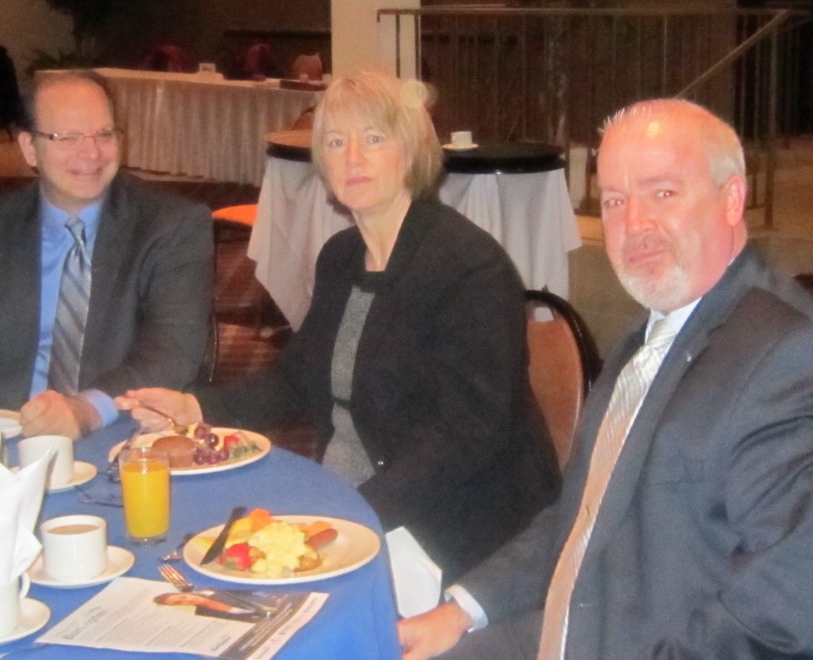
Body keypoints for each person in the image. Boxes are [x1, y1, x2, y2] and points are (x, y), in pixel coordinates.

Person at [397, 98, 813, 660]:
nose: (634, 225)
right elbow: (582, 518)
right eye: (613, 201)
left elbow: (778, 624)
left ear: (732, 199)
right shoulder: (657, 326)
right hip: (591, 632)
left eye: (663, 193)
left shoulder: (800, 367)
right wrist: (462, 611)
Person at [118, 69, 559, 583]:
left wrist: (350, 515)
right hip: (350, 495)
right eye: (336, 141)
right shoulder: (342, 257)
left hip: (453, 521)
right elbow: (296, 379)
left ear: (413, 151)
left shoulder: (468, 267)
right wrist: (194, 408)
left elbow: (466, 438)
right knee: (194, 556)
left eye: (374, 139)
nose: (354, 157)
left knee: (259, 593)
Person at [0, 70, 212, 441]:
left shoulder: (171, 226)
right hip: (9, 436)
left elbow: (172, 353)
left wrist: (84, 410)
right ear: (29, 148)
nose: (91, 152)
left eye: (104, 134)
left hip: (124, 438)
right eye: (68, 137)